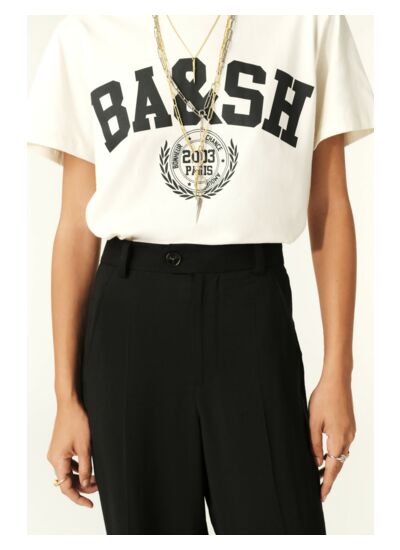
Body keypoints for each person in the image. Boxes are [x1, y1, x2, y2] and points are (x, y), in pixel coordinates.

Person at [27, 15, 374, 535]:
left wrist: (338, 374)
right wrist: (66, 399)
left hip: (252, 309)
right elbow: (76, 229)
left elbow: (328, 204)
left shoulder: (309, 20)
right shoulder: (89, 29)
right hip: (132, 317)